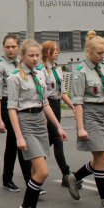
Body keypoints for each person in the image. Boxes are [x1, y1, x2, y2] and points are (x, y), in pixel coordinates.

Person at [7, 39, 68, 208]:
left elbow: (45, 103)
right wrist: (19, 136)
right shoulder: (15, 77)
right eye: (30, 55)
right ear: (22, 56)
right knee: (43, 172)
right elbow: (12, 108)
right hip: (25, 122)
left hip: (40, 121)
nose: (34, 59)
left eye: (37, 56)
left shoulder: (41, 73)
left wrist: (58, 126)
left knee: (36, 173)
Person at [66, 30, 104, 208]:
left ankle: (74, 177)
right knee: (103, 159)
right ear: (89, 52)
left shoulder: (103, 68)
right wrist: (80, 127)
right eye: (99, 53)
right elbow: (77, 101)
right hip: (90, 115)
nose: (103, 56)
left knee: (98, 160)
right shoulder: (81, 72)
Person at [0, 34, 31, 192]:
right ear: (3, 47)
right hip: (7, 105)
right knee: (20, 141)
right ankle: (30, 181)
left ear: (18, 47)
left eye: (13, 46)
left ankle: (7, 179)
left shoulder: (22, 64)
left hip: (21, 105)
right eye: (7, 47)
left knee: (12, 145)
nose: (10, 49)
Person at [39, 41, 76, 186]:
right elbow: (43, 94)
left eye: (57, 50)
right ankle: (66, 174)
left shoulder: (57, 69)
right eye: (53, 50)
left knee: (49, 141)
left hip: (56, 105)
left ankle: (35, 166)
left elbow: (62, 92)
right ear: (46, 52)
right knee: (57, 138)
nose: (56, 52)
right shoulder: (42, 70)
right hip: (47, 106)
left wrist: (72, 105)